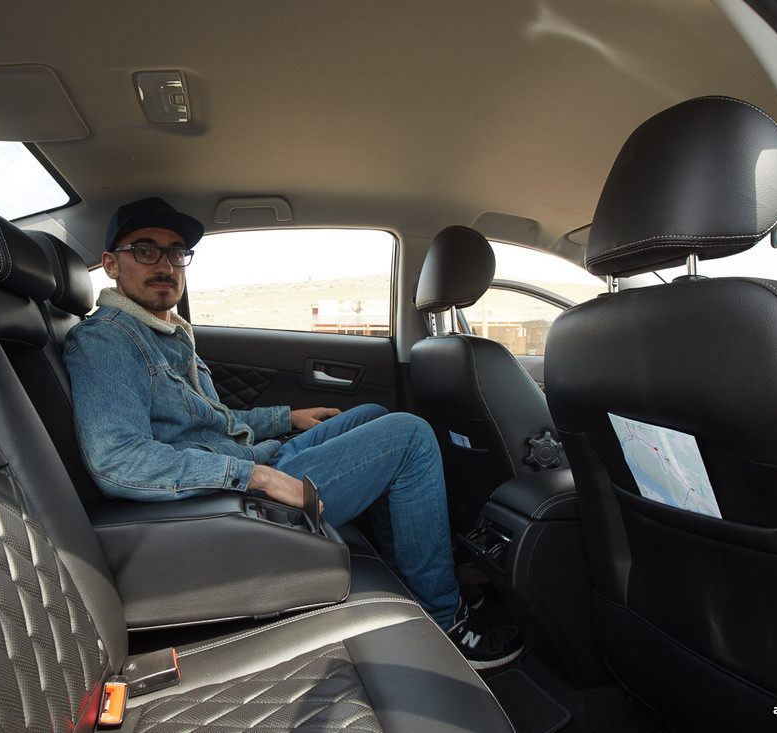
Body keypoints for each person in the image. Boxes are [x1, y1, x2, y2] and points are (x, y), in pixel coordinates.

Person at [64, 196, 522, 669]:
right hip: (226, 499)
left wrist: (288, 417)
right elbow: (118, 460)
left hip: (245, 465)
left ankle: (411, 575)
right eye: (145, 251)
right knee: (410, 436)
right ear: (111, 265)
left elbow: (213, 422)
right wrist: (257, 477)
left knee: (370, 412)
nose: (165, 265)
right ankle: (444, 617)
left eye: (176, 252)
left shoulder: (165, 333)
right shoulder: (107, 339)